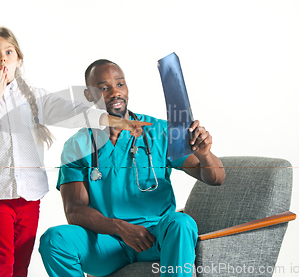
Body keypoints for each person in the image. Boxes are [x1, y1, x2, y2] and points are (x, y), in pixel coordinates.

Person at [0, 29, 148, 277]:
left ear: (18, 59)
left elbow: (74, 112)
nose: (3, 60)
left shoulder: (35, 98)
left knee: (20, 264)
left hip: (30, 197)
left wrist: (115, 121)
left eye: (9, 53)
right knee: (1, 260)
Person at [39, 59, 226, 277]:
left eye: (120, 84)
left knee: (181, 223)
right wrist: (119, 227)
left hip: (155, 237)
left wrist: (204, 155)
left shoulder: (159, 132)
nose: (115, 93)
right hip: (107, 242)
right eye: (103, 88)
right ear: (89, 96)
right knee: (54, 241)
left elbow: (216, 178)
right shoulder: (77, 146)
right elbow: (74, 211)